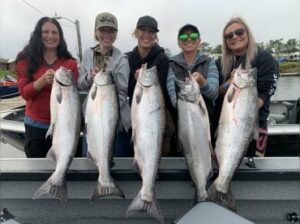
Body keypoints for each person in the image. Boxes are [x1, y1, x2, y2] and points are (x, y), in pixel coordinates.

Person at [214, 16, 278, 157]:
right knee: (222, 162)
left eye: (239, 32)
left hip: (254, 124)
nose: (235, 37)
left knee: (252, 167)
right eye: (229, 35)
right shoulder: (219, 63)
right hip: (225, 125)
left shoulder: (264, 57)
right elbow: (216, 92)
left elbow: (267, 91)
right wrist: (229, 82)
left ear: (247, 33)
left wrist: (244, 108)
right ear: (225, 41)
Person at [16, 17, 79, 158]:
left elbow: (73, 98)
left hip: (65, 125)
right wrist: (42, 81)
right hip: (36, 126)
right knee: (38, 169)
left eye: (55, 32)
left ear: (60, 36)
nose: (50, 36)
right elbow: (25, 93)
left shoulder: (70, 64)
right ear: (38, 34)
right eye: (46, 32)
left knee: (65, 165)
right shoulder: (24, 60)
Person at [77, 12, 131, 157]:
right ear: (96, 32)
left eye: (111, 31)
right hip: (91, 118)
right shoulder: (88, 54)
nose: (107, 34)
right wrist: (89, 77)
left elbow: (122, 92)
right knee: (89, 162)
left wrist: (106, 111)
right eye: (102, 30)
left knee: (116, 164)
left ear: (116, 33)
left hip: (116, 122)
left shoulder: (121, 59)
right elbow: (80, 84)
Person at [126, 15, 175, 156]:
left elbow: (162, 92)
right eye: (143, 30)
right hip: (135, 116)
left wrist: (143, 81)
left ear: (155, 36)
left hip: (155, 115)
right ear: (136, 33)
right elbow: (126, 91)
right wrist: (136, 81)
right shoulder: (128, 58)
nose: (147, 35)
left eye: (151, 31)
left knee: (153, 155)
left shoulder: (162, 59)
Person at [167, 24, 219, 138]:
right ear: (179, 43)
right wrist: (189, 98)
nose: (189, 39)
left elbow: (214, 94)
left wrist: (202, 82)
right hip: (181, 126)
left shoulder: (210, 62)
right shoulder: (171, 65)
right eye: (184, 37)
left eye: (194, 36)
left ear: (199, 40)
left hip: (206, 127)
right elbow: (173, 99)